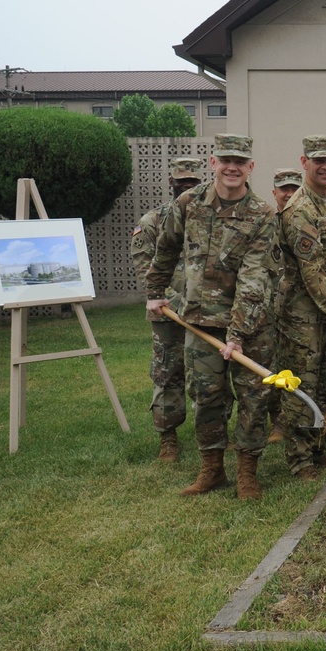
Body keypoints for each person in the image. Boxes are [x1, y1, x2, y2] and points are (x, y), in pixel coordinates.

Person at [145, 135, 278, 500]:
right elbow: (166, 247)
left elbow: (254, 277)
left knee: (253, 397)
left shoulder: (263, 214)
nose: (232, 166)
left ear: (251, 167)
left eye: (240, 161)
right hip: (200, 322)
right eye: (225, 159)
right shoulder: (190, 203)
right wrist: (155, 293)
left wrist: (236, 334)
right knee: (206, 396)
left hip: (250, 325)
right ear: (212, 161)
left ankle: (247, 472)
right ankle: (213, 470)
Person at [277, 135, 326, 480]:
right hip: (302, 313)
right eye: (318, 160)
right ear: (304, 161)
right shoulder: (300, 209)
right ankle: (299, 459)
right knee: (301, 384)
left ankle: (319, 448)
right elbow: (311, 272)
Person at [130, 157, 203, 461]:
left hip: (203, 313)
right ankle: (168, 437)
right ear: (171, 184)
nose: (187, 189)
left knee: (206, 375)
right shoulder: (152, 222)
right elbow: (145, 269)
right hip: (167, 314)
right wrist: (178, 304)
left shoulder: (207, 223)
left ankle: (210, 433)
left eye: (193, 184)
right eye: (181, 183)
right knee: (167, 373)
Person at [266, 167, 304, 446]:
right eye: (283, 189)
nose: (288, 194)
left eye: (294, 188)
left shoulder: (305, 220)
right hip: (267, 308)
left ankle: (293, 418)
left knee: (295, 363)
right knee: (270, 364)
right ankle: (275, 419)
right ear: (275, 192)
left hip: (297, 307)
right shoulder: (264, 222)